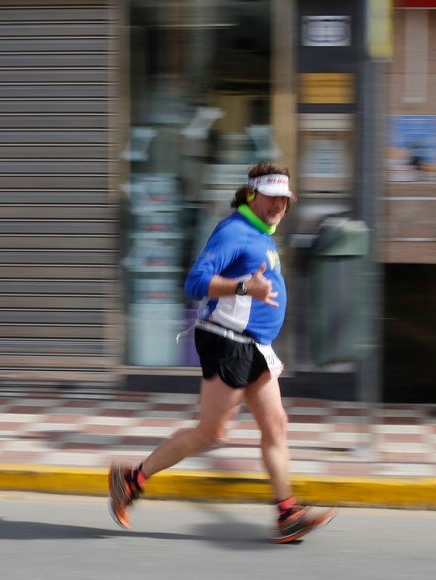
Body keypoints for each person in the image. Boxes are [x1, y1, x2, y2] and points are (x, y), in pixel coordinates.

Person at [110, 162, 335, 543]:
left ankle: (287, 513)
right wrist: (246, 288)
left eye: (284, 200)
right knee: (210, 432)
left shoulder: (262, 233)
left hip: (255, 346)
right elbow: (196, 281)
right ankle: (131, 480)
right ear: (251, 195)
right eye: (271, 198)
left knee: (275, 424)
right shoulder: (235, 231)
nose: (279, 206)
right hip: (227, 342)